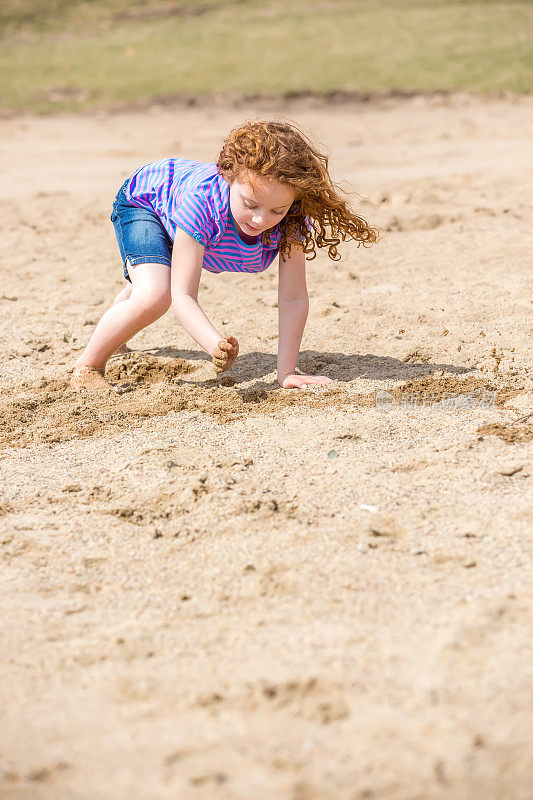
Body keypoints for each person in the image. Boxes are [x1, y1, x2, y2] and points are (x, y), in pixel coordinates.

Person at [70, 119, 378, 393]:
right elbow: (183, 296)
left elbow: (293, 298)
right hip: (145, 203)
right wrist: (213, 343)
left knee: (151, 285)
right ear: (229, 176)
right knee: (156, 294)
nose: (260, 220)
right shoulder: (201, 205)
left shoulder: (292, 220)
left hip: (181, 215)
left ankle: (127, 309)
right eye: (251, 203)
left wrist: (285, 373)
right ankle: (88, 366)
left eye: (276, 210)